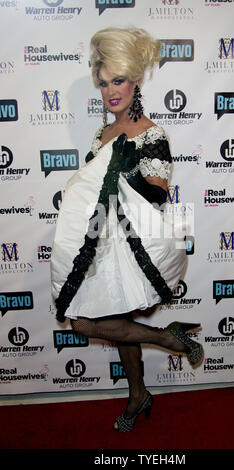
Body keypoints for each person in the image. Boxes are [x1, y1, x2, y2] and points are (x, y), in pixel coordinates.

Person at [51, 27, 204, 432]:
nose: (110, 91)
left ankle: (139, 393)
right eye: (103, 83)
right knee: (84, 320)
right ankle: (165, 342)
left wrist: (122, 172)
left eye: (117, 80)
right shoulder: (100, 135)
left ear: (135, 80)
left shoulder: (153, 135)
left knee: (111, 320)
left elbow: (156, 198)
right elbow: (90, 189)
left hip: (134, 243)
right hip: (100, 242)